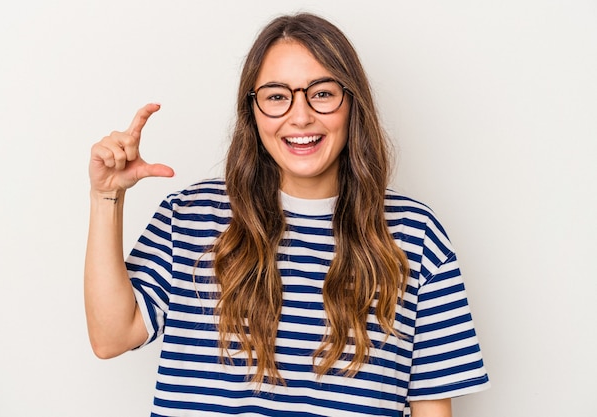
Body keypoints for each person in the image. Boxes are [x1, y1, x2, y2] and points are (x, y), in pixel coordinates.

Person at [85, 12, 490, 417]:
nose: (300, 116)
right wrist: (106, 197)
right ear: (253, 111)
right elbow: (111, 337)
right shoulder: (188, 217)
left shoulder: (414, 235)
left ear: (352, 102)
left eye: (322, 93)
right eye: (277, 96)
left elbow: (432, 408)